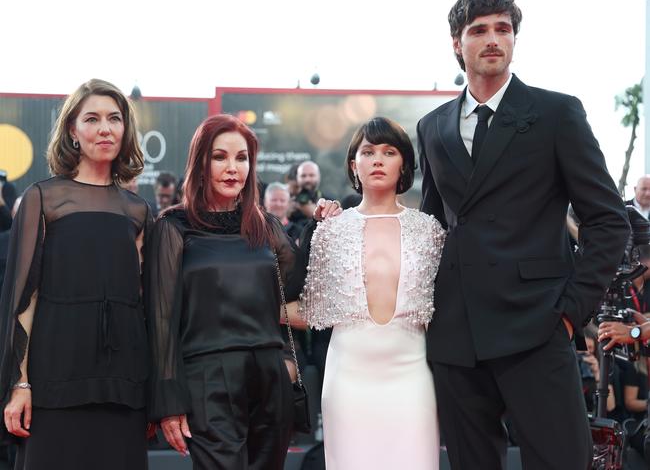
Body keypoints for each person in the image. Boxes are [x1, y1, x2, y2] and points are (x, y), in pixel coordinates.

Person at [417, 0, 630, 469]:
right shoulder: (432, 127)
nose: (493, 39)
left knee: (562, 461)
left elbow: (607, 219)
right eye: (479, 30)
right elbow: (430, 230)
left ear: (514, 38)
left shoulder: (557, 113)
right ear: (457, 43)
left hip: (537, 324)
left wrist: (572, 313)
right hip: (456, 333)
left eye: (503, 29)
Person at [145, 114, 338, 470]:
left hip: (268, 373)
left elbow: (300, 285)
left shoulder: (265, 226)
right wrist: (168, 400)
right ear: (200, 162)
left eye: (242, 157)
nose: (232, 168)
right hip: (207, 378)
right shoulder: (174, 226)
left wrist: (320, 226)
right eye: (220, 157)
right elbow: (161, 318)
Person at [0, 78, 151, 469]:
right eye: (93, 118)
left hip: (123, 383)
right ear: (72, 130)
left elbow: (143, 302)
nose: (105, 128)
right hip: (54, 378)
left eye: (115, 118)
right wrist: (20, 383)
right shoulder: (43, 198)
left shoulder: (137, 211)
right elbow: (23, 299)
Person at [300, 117, 446, 469]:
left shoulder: (429, 230)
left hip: (412, 380)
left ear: (405, 164)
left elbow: (443, 311)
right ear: (354, 164)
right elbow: (308, 310)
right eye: (368, 152)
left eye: (389, 151)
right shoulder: (330, 230)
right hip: (348, 381)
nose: (378, 159)